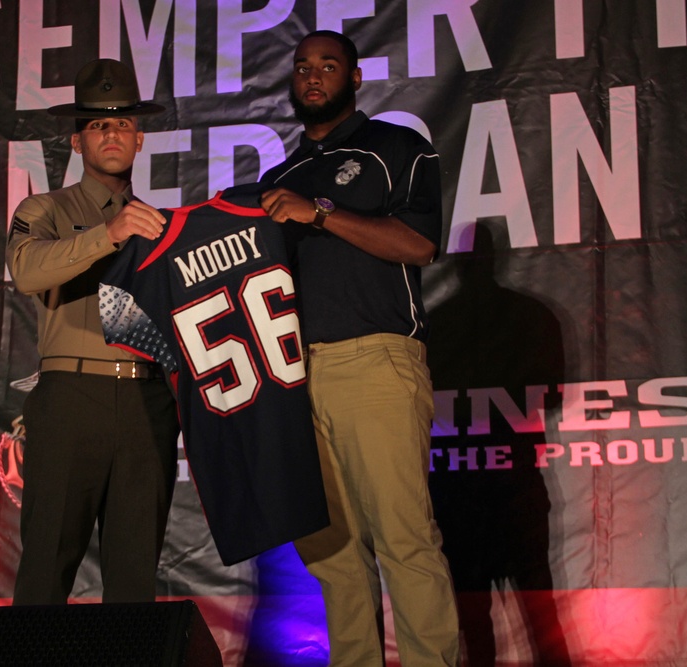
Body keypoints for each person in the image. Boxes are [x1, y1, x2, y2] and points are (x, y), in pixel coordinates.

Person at [260, 31, 461, 665]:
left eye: (327, 66)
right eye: (302, 68)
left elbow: (419, 246)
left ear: (353, 76)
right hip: (296, 375)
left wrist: (317, 212)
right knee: (331, 554)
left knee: (404, 540)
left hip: (375, 360)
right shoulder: (275, 179)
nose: (313, 76)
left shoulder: (394, 147)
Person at [5, 59, 179, 605]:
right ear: (78, 142)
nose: (112, 133)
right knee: (45, 570)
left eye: (123, 124)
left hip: (148, 399)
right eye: (99, 125)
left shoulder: (161, 226)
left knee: (134, 582)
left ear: (140, 139)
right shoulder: (46, 209)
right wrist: (109, 233)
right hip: (72, 397)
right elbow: (29, 271)